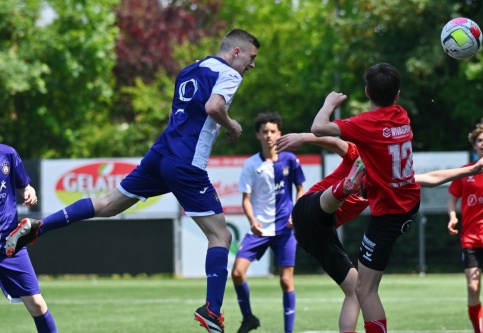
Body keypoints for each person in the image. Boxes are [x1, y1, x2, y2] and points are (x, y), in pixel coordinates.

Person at [5, 28, 260, 333]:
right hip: (185, 163)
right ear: (235, 51)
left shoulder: (190, 69)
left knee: (108, 204)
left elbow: (176, 114)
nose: (252, 65)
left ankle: (38, 226)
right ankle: (212, 311)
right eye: (251, 57)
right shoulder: (230, 75)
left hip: (160, 154)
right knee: (221, 236)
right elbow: (214, 107)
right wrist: (232, 125)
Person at [275, 132, 483, 333]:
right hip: (310, 209)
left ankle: (346, 187)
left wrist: (472, 169)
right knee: (332, 207)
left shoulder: (386, 178)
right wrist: (305, 137)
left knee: (356, 290)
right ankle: (346, 186)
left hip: (319, 233)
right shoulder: (358, 154)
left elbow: (430, 178)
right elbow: (333, 141)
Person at [310, 62, 421, 332]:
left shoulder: (367, 124)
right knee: (364, 287)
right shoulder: (402, 116)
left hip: (390, 213)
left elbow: (318, 127)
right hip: (408, 202)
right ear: (397, 95)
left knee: (364, 289)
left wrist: (329, 103)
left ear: (366, 91)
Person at [232, 112, 305, 333]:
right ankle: (248, 319)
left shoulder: (290, 160)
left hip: (285, 229)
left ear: (279, 133)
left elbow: (301, 189)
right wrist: (252, 221)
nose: (269, 135)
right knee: (237, 273)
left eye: (273, 131)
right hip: (260, 229)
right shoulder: (251, 165)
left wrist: (296, 214)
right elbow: (245, 200)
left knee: (285, 280)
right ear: (258, 135)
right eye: (265, 132)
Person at [447, 122, 483, 333]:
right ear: (474, 146)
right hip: (470, 237)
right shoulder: (465, 171)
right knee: (472, 287)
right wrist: (452, 216)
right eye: (480, 140)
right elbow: (452, 199)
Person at [0, 144, 58, 333]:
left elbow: (25, 186)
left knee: (36, 304)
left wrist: (28, 191)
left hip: (10, 243)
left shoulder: (7, 153)